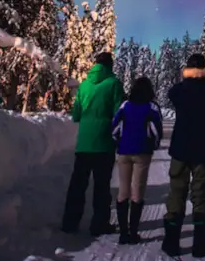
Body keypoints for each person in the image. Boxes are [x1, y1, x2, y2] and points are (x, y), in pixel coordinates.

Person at [162, 53, 205, 258]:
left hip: (180, 149)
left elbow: (171, 93)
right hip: (202, 149)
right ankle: (200, 244)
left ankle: (171, 242)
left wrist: (187, 79)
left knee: (176, 193)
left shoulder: (181, 90)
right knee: (201, 196)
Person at [61, 51, 126, 236]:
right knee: (101, 186)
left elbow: (76, 115)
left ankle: (70, 222)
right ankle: (99, 225)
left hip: (84, 143)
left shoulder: (84, 85)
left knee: (78, 184)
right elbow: (118, 113)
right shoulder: (114, 84)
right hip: (104, 143)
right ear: (110, 65)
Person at [111, 76, 164, 244]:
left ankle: (123, 233)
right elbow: (157, 130)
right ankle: (133, 232)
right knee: (137, 191)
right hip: (142, 152)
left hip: (124, 151)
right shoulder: (152, 107)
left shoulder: (125, 105)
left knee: (123, 190)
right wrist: (153, 144)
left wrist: (118, 141)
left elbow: (115, 125)